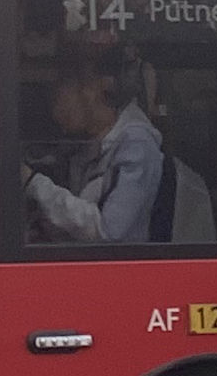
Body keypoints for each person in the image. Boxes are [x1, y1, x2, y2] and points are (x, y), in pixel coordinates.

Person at [26, 56, 171, 244]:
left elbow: (110, 232)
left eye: (57, 97)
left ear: (90, 91)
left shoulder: (136, 145)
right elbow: (74, 228)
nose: (55, 113)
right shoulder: (90, 145)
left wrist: (35, 185)